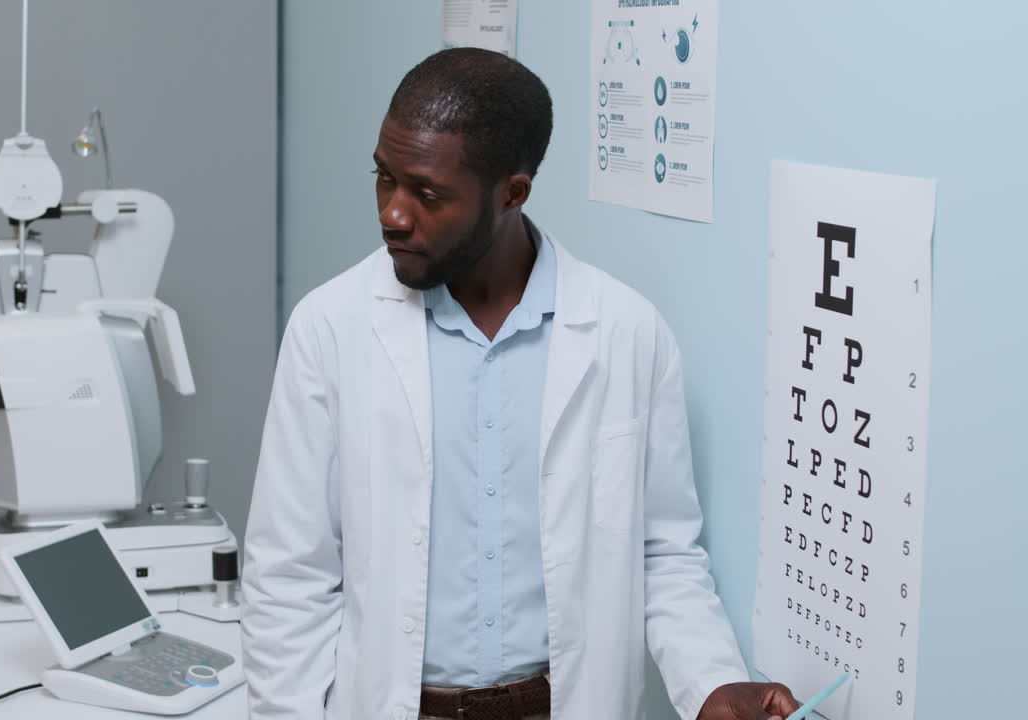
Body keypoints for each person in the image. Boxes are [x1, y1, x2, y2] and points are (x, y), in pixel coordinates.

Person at [241, 48, 800, 720]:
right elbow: (289, 575)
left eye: (427, 193)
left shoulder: (625, 332)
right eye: (383, 179)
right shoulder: (329, 328)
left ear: (512, 192)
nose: (393, 213)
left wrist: (712, 682)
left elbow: (663, 553)